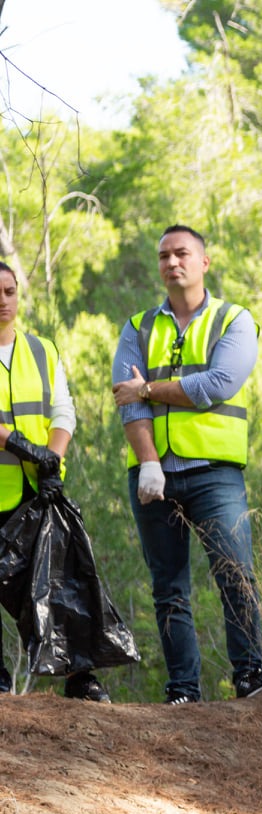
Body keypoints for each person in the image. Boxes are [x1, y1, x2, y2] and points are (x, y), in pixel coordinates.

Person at [111, 225, 262, 704]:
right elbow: (127, 403)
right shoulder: (138, 327)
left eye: (182, 254)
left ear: (204, 262)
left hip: (214, 472)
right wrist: (149, 463)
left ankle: (250, 679)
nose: (172, 263)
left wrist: (149, 388)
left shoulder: (233, 320)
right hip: (153, 472)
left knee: (235, 574)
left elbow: (217, 384)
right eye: (163, 256)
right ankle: (183, 690)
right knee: (169, 589)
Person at [0, 262, 110, 702]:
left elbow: (64, 410)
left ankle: (78, 676)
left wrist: (52, 459)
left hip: (35, 491)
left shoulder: (42, 350)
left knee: (58, 581)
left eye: (9, 290)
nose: (2, 300)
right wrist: (24, 445)